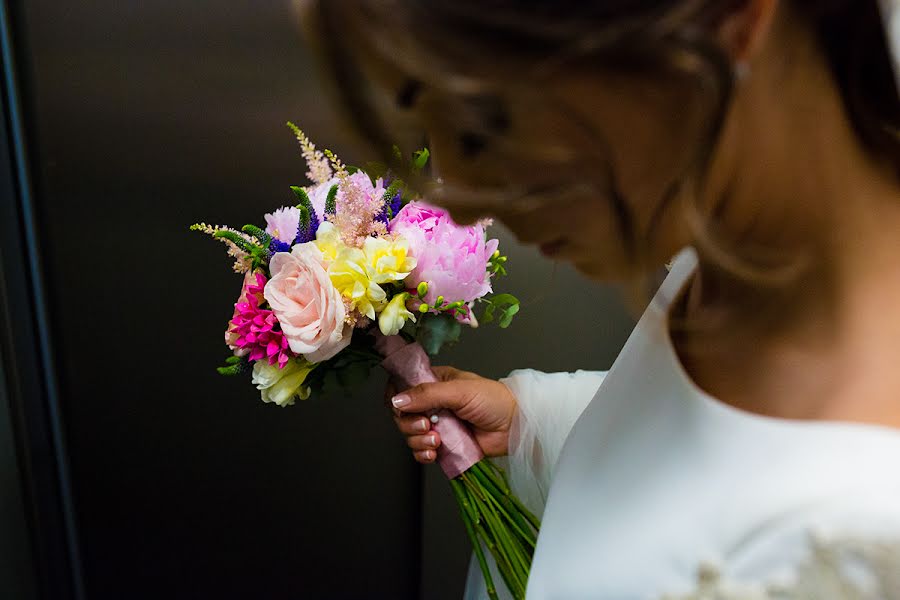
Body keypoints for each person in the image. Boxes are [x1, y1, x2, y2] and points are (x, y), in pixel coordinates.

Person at [299, 0, 900, 597]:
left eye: (485, 120)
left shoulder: (860, 542)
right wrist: (537, 422)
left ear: (729, 19)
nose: (460, 199)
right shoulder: (734, 239)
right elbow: (708, 462)